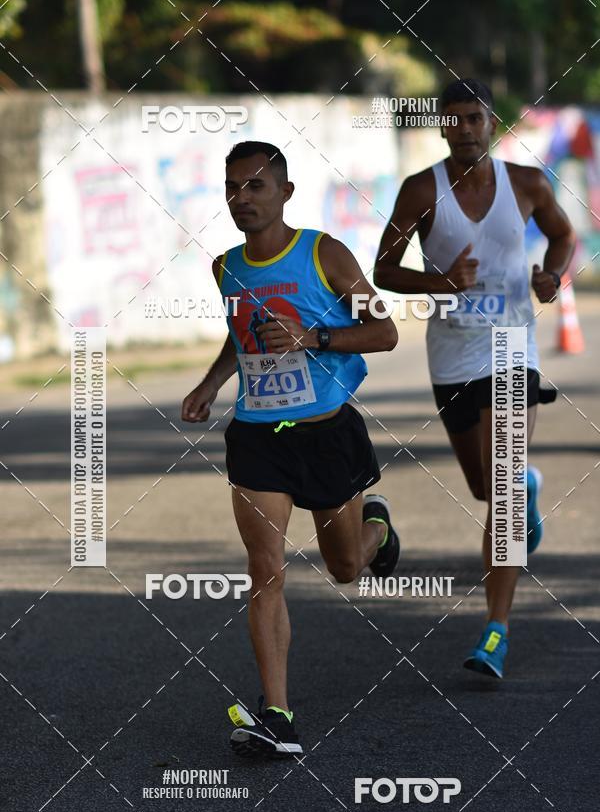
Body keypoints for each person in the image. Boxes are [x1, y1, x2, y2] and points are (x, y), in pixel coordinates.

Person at [182, 141, 400, 757]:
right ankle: (276, 715)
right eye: (232, 187)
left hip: (326, 435)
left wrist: (315, 335)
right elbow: (242, 336)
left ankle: (377, 527)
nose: (241, 199)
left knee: (346, 568)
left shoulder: (322, 253)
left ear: (284, 192)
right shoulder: (225, 267)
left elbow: (383, 331)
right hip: (257, 437)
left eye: (255, 186)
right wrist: (211, 382)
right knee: (264, 571)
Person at [374, 79, 576, 679]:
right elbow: (384, 269)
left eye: (475, 118)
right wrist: (440, 283)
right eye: (453, 120)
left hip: (514, 345)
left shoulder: (528, 184)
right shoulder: (421, 190)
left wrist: (553, 276)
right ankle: (525, 484)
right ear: (441, 127)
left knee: (503, 492)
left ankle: (496, 630)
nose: (464, 129)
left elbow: (565, 236)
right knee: (490, 489)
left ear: (493, 123)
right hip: (453, 355)